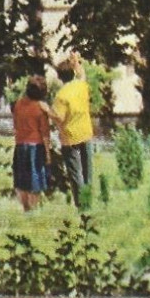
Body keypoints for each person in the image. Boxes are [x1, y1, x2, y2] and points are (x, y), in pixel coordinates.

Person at [51, 51, 94, 206]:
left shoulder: (61, 96)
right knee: (87, 171)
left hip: (70, 138)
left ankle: (83, 207)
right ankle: (88, 201)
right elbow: (82, 74)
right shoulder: (81, 86)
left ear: (59, 77)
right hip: (86, 132)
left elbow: (59, 118)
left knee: (76, 174)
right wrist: (76, 62)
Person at [11, 75, 51, 210]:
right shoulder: (41, 108)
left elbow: (15, 125)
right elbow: (45, 133)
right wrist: (48, 153)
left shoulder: (18, 104)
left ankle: (25, 207)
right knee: (35, 179)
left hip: (20, 145)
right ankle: (33, 209)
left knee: (21, 179)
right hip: (36, 146)